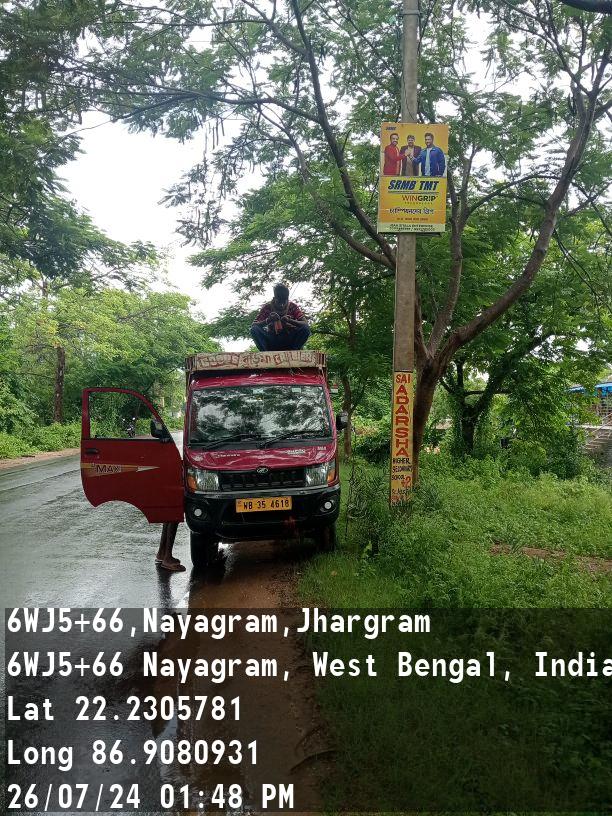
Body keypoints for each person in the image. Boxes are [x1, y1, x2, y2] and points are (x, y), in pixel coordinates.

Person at [250, 283, 310, 351]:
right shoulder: (267, 307)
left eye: (284, 302)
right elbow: (254, 325)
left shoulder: (292, 306)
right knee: (254, 329)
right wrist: (268, 320)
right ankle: (265, 352)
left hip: (290, 339)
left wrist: (290, 321)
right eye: (279, 302)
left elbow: (305, 323)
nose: (282, 305)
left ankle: (293, 351)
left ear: (287, 299)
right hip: (272, 340)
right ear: (274, 298)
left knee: (305, 329)